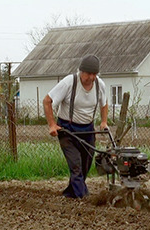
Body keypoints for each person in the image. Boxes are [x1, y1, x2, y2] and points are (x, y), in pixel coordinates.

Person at [43, 54, 109, 198]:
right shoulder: (69, 82)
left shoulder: (100, 85)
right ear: (81, 71)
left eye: (94, 74)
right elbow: (47, 101)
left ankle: (70, 193)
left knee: (85, 166)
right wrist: (52, 125)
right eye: (88, 74)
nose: (91, 78)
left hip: (88, 129)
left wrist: (103, 122)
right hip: (68, 129)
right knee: (76, 165)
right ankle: (83, 197)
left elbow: (104, 104)